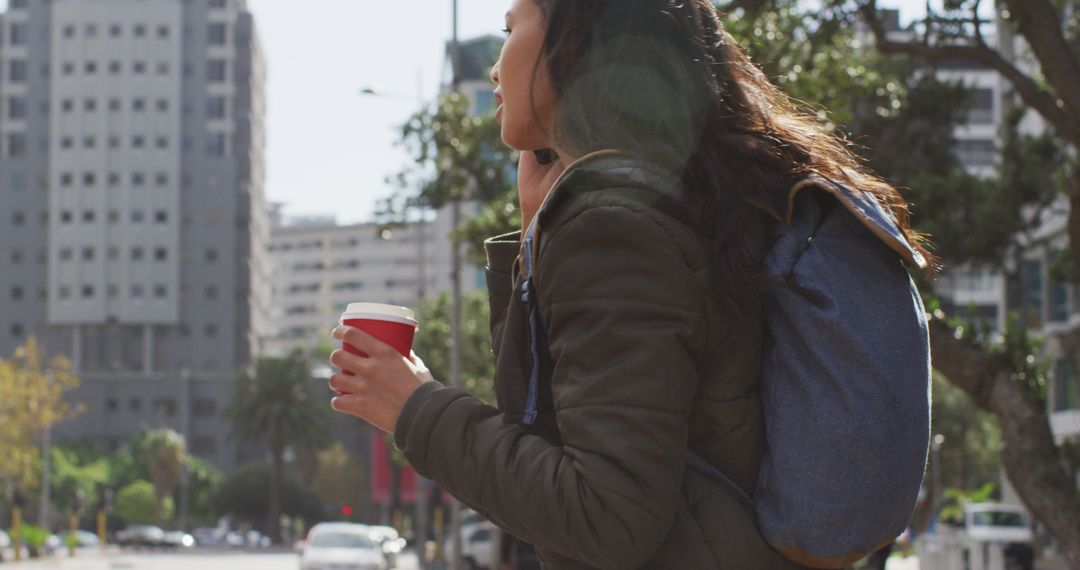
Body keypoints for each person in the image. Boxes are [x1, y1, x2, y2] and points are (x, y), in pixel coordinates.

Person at [326, 0, 933, 568]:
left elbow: (606, 516)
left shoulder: (613, 228)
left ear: (577, 43)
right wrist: (535, 234)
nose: (494, 64)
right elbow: (559, 424)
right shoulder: (677, 202)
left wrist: (415, 409)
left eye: (512, 29)